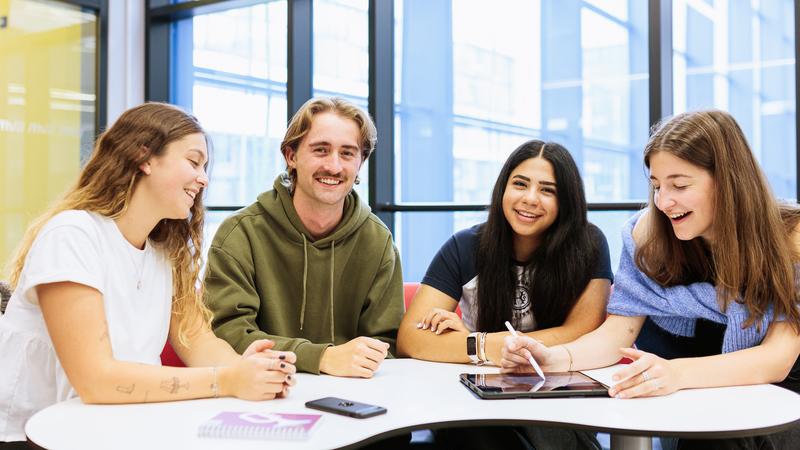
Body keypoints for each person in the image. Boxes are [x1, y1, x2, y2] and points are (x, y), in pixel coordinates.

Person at [0, 103, 296, 447]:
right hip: (31, 436)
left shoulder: (164, 251)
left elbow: (198, 341)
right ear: (145, 157)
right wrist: (226, 380)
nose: (204, 178)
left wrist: (253, 373)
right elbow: (95, 380)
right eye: (193, 161)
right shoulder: (72, 234)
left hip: (117, 425)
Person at [502, 110, 800, 450]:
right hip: (689, 402)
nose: (663, 201)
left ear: (728, 180)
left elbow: (778, 358)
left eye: (680, 185)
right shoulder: (647, 238)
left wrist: (677, 374)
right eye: (657, 185)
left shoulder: (790, 238)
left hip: (777, 403)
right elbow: (617, 333)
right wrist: (552, 359)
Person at [397, 140, 613, 450]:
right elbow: (410, 339)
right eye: (520, 184)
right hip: (478, 403)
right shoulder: (466, 246)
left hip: (556, 398)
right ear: (503, 189)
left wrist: (471, 341)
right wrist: (488, 347)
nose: (529, 199)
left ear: (566, 201)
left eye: (547, 190)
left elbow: (582, 331)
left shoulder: (588, 245)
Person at [204, 97, 404, 378]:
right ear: (291, 156)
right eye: (321, 150)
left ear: (360, 163)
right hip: (262, 392)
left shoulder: (378, 240)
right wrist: (321, 357)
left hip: (353, 396)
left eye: (347, 153)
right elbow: (228, 335)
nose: (334, 166)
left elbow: (387, 345)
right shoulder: (240, 234)